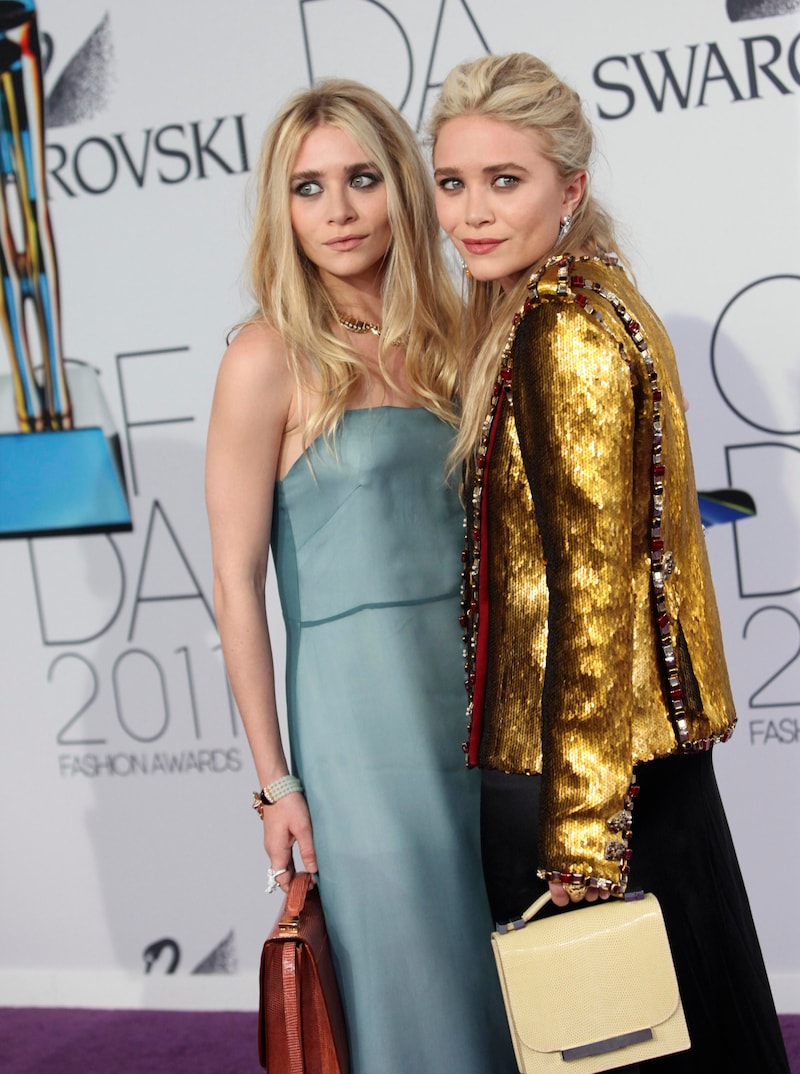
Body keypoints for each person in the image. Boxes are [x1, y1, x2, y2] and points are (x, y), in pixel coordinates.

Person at [429, 52, 790, 1072]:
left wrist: (583, 830)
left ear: (570, 187)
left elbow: (593, 594)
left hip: (578, 776)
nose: (471, 213)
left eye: (505, 181)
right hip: (630, 767)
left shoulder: (562, 329)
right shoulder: (590, 298)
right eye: (452, 183)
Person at [205, 79, 514, 1074]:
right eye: (309, 188)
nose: (337, 210)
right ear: (281, 209)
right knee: (416, 989)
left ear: (403, 190)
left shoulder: (457, 336)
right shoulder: (265, 358)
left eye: (362, 179)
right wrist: (274, 783)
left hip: (483, 707)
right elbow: (236, 585)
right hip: (361, 732)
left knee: (510, 977)